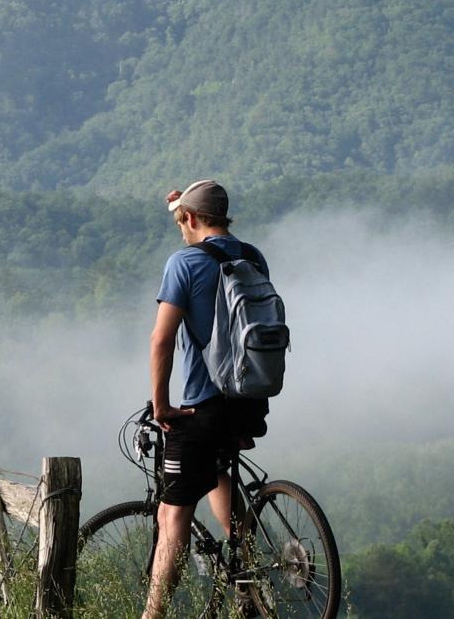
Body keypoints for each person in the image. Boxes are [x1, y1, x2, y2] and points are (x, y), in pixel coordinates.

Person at [144, 180, 269, 618]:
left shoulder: (184, 262)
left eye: (182, 220)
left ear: (191, 220)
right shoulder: (252, 257)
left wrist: (161, 406)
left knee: (171, 515)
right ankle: (248, 578)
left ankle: (153, 614)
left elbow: (162, 340)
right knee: (216, 471)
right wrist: (182, 202)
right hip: (251, 399)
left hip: (203, 404)